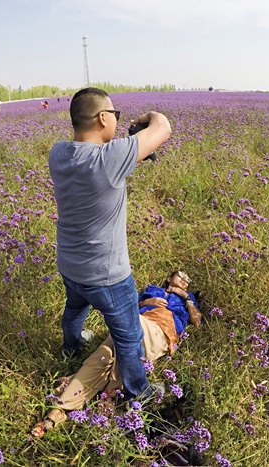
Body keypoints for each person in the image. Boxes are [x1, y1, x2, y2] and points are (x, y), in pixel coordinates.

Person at [47, 87, 172, 403]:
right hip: (107, 274)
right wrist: (146, 118)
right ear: (103, 118)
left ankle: (71, 347)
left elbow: (96, 160)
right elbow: (163, 127)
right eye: (115, 115)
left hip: (70, 264)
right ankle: (138, 391)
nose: (117, 121)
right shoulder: (110, 159)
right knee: (128, 335)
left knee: (75, 309)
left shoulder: (58, 153)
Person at [30, 270, 202, 439]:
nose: (185, 280)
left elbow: (196, 321)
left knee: (118, 336)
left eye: (188, 280)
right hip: (138, 323)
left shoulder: (188, 300)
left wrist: (185, 297)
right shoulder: (152, 290)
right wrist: (147, 302)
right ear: (169, 278)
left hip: (159, 334)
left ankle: (64, 404)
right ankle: (68, 408)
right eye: (181, 275)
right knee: (105, 353)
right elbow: (129, 307)